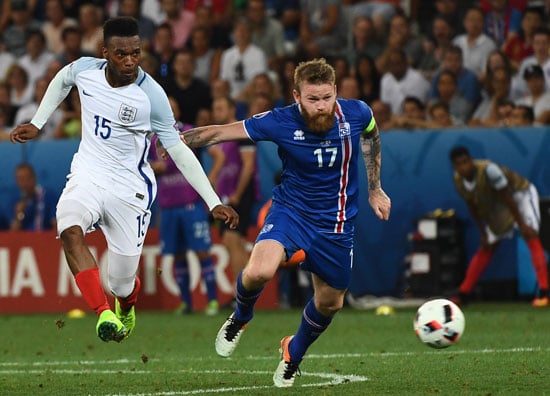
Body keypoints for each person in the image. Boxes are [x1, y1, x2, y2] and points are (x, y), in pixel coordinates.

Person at [9, 16, 238, 343]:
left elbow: (178, 149)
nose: (130, 61)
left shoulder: (151, 95)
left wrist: (213, 200)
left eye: (135, 53)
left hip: (130, 190)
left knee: (121, 283)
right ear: (105, 52)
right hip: (88, 174)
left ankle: (125, 305)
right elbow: (63, 78)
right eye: (121, 54)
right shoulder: (85, 69)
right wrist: (38, 122)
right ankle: (103, 313)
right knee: (68, 227)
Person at [165, 58, 391, 387]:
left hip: (337, 221)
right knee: (258, 271)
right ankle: (240, 317)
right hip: (292, 212)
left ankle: (292, 351)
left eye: (327, 97)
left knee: (331, 302)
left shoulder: (356, 113)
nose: (321, 106)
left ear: (336, 92)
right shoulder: (279, 120)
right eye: (312, 99)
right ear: (297, 96)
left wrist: (375, 188)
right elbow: (222, 132)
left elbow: (372, 135)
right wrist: (178, 141)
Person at [449, 146, 549, 307]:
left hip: (520, 195)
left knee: (530, 235)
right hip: (498, 204)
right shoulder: (458, 180)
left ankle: (544, 293)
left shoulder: (490, 170)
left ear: (471, 160)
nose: (464, 167)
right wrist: (483, 233)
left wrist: (522, 224)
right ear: (455, 167)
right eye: (459, 164)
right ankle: (463, 293)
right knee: (488, 245)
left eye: (466, 162)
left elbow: (508, 196)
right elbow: (472, 206)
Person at [149, 113, 220, 316]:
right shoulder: (152, 138)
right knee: (178, 254)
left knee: (202, 252)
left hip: (191, 205)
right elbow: (151, 165)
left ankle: (213, 302)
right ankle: (186, 304)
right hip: (168, 206)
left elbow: (219, 156)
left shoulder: (188, 131)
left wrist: (209, 181)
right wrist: (154, 167)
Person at [9, 162, 57, 231]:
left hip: (45, 238)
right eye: (20, 179)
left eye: (27, 178)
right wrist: (18, 214)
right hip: (25, 239)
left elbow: (55, 224)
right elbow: (13, 232)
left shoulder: (48, 196)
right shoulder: (16, 200)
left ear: (34, 177)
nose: (24, 183)